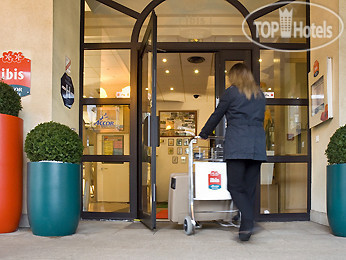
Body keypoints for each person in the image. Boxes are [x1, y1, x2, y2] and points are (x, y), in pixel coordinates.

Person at [199, 63, 267, 242]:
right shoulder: (260, 95)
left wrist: (204, 133)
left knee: (235, 186)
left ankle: (248, 219)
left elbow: (217, 114)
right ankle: (245, 227)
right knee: (248, 188)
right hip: (257, 144)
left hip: (238, 143)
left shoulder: (231, 92)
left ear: (234, 76)